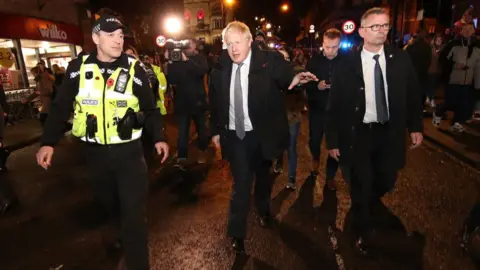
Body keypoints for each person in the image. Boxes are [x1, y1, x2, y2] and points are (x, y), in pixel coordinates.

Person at [35, 15, 169, 270]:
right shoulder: (78, 68)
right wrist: (47, 142)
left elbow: (150, 109)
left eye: (120, 35)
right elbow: (61, 106)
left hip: (130, 154)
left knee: (134, 216)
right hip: (95, 155)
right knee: (110, 204)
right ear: (96, 38)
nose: (118, 40)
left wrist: (159, 137)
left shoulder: (133, 68)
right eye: (111, 35)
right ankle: (121, 232)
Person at [209, 21, 318, 254]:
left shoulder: (269, 61)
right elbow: (215, 103)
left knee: (264, 177)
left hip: (263, 134)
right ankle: (236, 233)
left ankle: (263, 209)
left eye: (238, 42)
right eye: (229, 44)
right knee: (241, 184)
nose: (233, 49)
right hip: (236, 136)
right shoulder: (220, 66)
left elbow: (286, 75)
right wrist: (216, 131)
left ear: (250, 41)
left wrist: (298, 77)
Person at [325, 7, 423, 255]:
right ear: (362, 31)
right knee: (361, 184)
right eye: (375, 26)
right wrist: (333, 140)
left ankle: (368, 199)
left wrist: (416, 127)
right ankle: (364, 231)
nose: (381, 31)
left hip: (389, 133)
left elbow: (413, 95)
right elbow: (334, 105)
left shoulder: (400, 59)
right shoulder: (346, 64)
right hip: (358, 135)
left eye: (385, 26)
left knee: (386, 179)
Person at [304, 28, 343, 191]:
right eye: (327, 47)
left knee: (335, 145)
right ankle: (315, 159)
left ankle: (330, 176)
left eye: (334, 47)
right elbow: (306, 83)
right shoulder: (314, 61)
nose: (330, 51)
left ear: (339, 45)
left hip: (337, 111)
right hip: (317, 109)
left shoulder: (346, 62)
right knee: (315, 140)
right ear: (323, 44)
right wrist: (317, 85)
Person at [166, 38, 209, 168]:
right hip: (183, 103)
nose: (186, 49)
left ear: (194, 46)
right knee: (183, 131)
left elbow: (202, 71)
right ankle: (182, 157)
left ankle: (202, 151)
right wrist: (170, 62)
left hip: (198, 102)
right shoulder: (176, 59)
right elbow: (172, 79)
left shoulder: (200, 58)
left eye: (188, 46)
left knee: (202, 130)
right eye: (185, 47)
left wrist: (186, 61)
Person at [273, 47, 307, 190]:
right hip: (276, 118)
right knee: (280, 144)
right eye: (280, 58)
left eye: (286, 58)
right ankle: (279, 160)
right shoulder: (270, 75)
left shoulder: (295, 72)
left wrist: (295, 111)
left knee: (291, 147)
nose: (283, 61)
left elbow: (301, 95)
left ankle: (291, 177)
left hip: (292, 117)